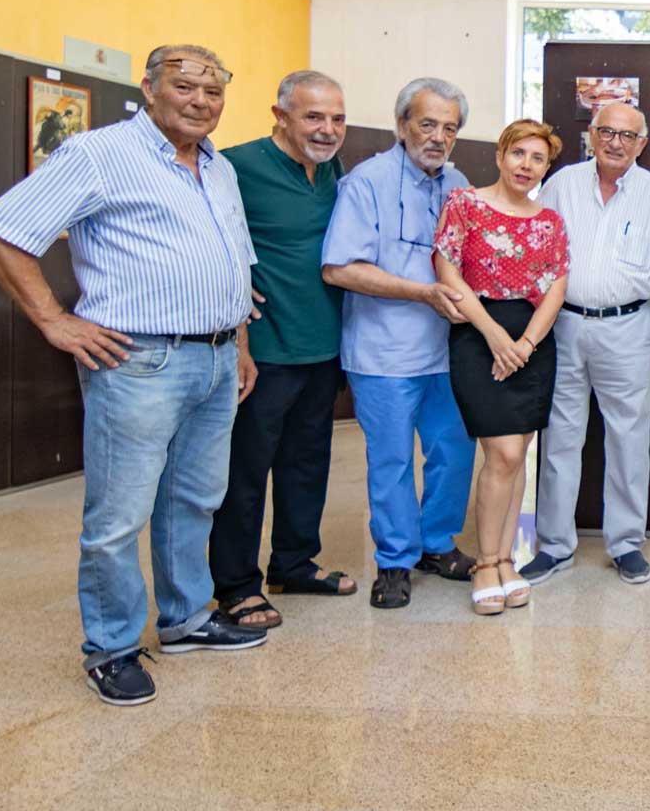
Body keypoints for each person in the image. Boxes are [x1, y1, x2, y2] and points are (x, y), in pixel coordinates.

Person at [0, 44, 266, 707]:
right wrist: (54, 321)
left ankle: (186, 619)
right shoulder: (97, 154)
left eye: (213, 90)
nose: (200, 100)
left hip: (217, 358)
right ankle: (111, 646)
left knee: (193, 501)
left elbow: (235, 264)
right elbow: (4, 231)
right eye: (185, 86)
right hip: (139, 362)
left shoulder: (217, 167)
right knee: (119, 516)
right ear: (150, 88)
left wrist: (238, 345)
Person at [321, 78, 480, 609]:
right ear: (402, 125)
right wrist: (421, 292)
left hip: (448, 351)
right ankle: (394, 560)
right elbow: (340, 268)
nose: (438, 137)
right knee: (390, 460)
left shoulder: (457, 182)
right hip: (384, 353)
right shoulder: (366, 182)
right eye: (428, 124)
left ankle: (436, 544)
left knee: (453, 452)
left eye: (450, 128)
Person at [209, 70, 354, 632]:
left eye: (337, 118)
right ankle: (236, 587)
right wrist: (230, 282)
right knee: (245, 473)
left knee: (307, 463)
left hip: (322, 345)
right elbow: (200, 230)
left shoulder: (334, 172)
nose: (328, 129)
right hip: (263, 350)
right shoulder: (234, 166)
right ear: (280, 115)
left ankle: (293, 564)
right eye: (314, 117)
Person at [524, 103, 650, 586]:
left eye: (627, 135)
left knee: (630, 437)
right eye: (607, 132)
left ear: (642, 144)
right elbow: (537, 254)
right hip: (564, 325)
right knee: (560, 437)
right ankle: (553, 545)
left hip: (629, 326)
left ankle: (626, 543)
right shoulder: (560, 185)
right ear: (590, 135)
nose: (616, 142)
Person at [432, 120, 570, 615]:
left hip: (532, 338)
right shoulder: (465, 205)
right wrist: (494, 336)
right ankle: (486, 562)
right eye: (519, 154)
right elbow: (446, 271)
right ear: (500, 155)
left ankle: (507, 557)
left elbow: (556, 285)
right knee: (502, 454)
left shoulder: (549, 221)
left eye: (537, 159)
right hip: (478, 332)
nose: (526, 166)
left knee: (518, 454)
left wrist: (527, 342)